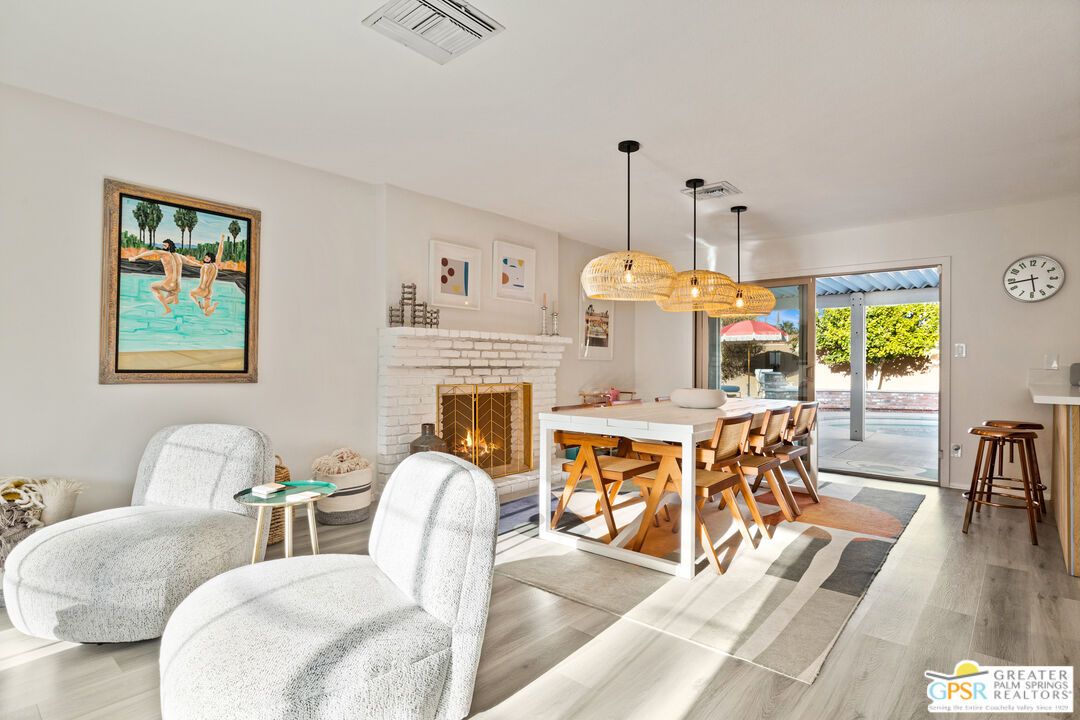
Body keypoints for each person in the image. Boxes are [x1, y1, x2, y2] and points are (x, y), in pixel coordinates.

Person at [126, 239, 183, 314]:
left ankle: (167, 309)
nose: (163, 246)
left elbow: (151, 252)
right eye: (163, 245)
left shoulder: (164, 253)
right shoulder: (174, 256)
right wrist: (177, 286)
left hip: (169, 282)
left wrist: (135, 257)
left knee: (152, 286)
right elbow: (178, 270)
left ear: (169, 246)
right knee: (169, 300)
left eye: (165, 245)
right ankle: (174, 304)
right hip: (175, 283)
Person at [187, 234, 226, 316]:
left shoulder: (206, 266)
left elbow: (205, 278)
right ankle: (214, 306)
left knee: (191, 293)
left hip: (202, 289)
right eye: (205, 257)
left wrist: (202, 288)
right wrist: (222, 240)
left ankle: (198, 303)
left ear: (210, 258)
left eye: (207, 258)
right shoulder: (216, 265)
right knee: (206, 313)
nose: (205, 259)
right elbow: (220, 252)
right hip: (209, 291)